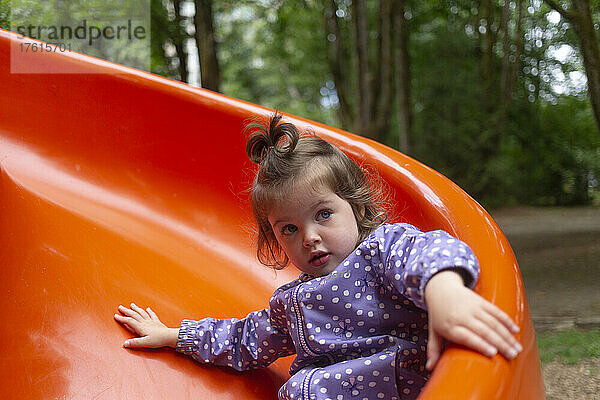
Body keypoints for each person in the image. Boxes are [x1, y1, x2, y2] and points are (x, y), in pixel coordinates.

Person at [114, 112, 522, 400]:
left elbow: (431, 250)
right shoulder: (288, 304)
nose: (309, 237)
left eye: (323, 215)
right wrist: (175, 336)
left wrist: (445, 293)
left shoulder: (380, 251)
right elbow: (242, 340)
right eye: (288, 229)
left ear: (358, 209)